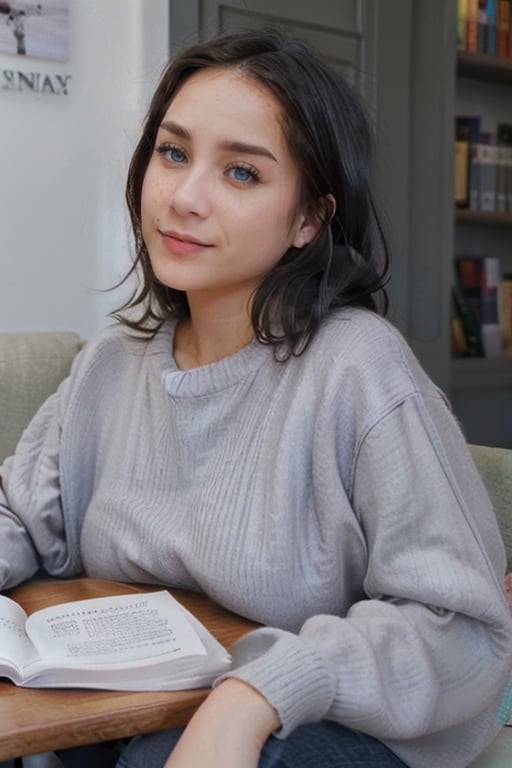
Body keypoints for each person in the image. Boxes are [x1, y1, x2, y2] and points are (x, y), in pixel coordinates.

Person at [0, 25, 511, 768]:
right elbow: (19, 511)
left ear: (309, 219)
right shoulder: (111, 366)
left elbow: (461, 626)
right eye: (173, 153)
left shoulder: (359, 368)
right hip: (141, 710)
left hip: (329, 728)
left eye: (242, 173)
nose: (185, 196)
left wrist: (257, 693)